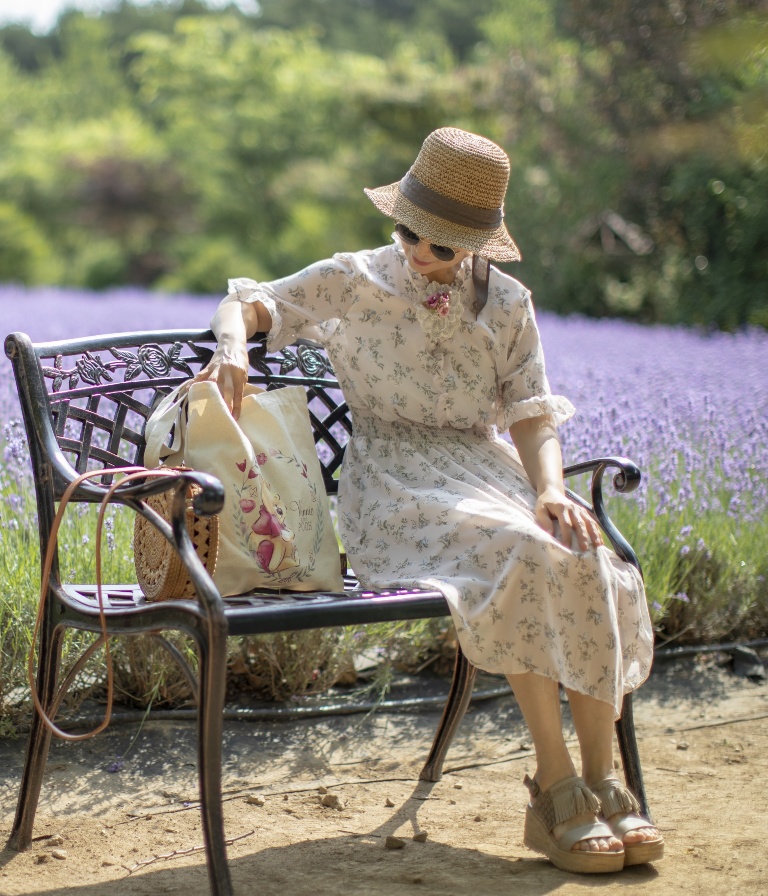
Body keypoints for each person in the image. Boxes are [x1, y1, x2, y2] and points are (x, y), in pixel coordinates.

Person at [194, 127, 663, 874]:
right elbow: (248, 303)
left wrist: (549, 489)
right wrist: (231, 347)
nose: (419, 252)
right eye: (409, 231)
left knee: (582, 552)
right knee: (521, 549)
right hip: (395, 483)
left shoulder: (507, 303)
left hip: (487, 471)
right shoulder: (355, 278)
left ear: (476, 243)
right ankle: (555, 786)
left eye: (440, 244)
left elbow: (531, 412)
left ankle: (605, 782)